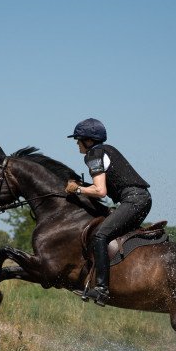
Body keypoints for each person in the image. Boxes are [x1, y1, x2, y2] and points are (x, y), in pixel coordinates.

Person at [65, 118, 152, 306]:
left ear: (88, 140)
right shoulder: (106, 150)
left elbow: (100, 191)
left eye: (78, 139)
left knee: (100, 235)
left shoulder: (93, 154)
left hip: (133, 200)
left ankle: (102, 289)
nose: (76, 143)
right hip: (140, 199)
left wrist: (77, 190)